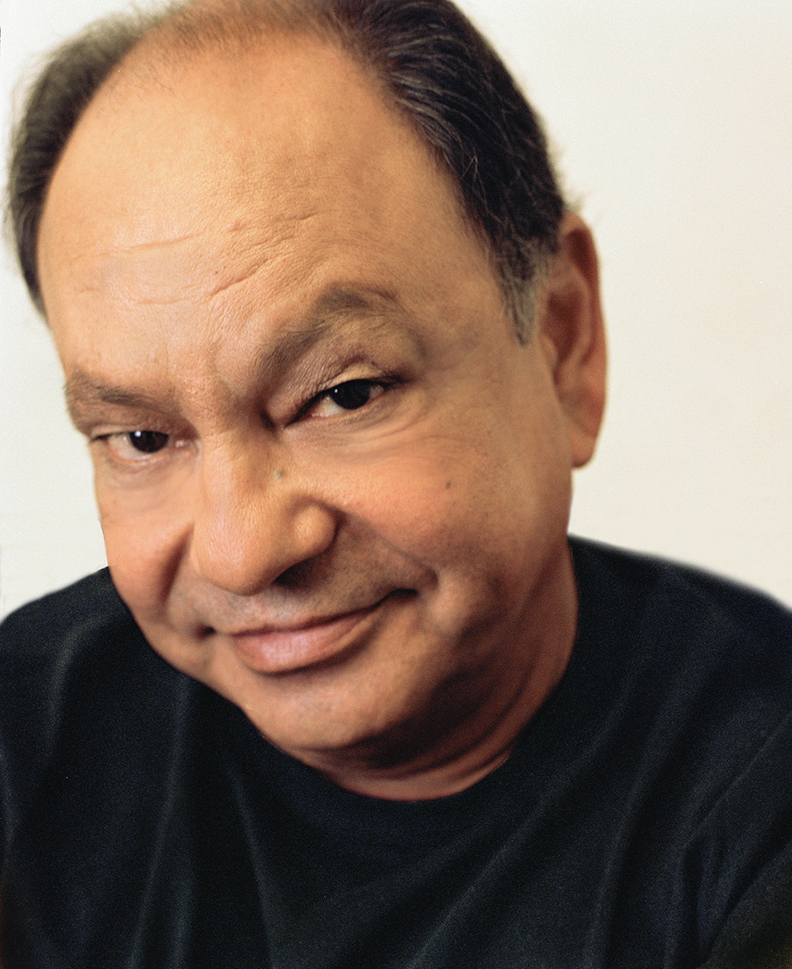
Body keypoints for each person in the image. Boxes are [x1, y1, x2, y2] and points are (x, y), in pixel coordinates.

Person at [0, 0, 790, 966]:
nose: (242, 552)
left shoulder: (756, 796)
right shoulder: (24, 747)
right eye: (142, 437)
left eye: (343, 394)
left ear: (562, 339)